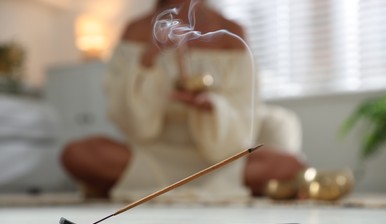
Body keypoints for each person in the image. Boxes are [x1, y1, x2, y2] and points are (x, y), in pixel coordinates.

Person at [61, 0, 306, 200]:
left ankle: (142, 187)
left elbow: (245, 111)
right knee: (77, 154)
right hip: (151, 156)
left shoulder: (232, 34)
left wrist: (213, 107)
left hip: (217, 161)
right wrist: (149, 59)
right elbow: (126, 117)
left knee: (290, 166)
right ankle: (203, 189)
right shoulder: (135, 31)